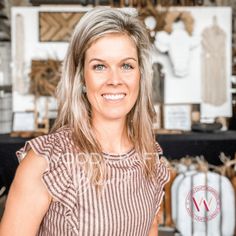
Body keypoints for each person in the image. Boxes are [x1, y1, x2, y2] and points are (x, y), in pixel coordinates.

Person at [0, 7, 170, 236]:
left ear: (140, 74)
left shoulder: (150, 158)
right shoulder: (45, 163)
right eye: (99, 66)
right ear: (81, 78)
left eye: (126, 65)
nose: (115, 80)